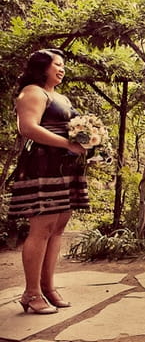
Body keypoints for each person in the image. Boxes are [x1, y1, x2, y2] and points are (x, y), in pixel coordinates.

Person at [8, 49, 88, 314]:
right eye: (57, 64)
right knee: (41, 228)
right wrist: (68, 143)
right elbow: (28, 127)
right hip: (43, 164)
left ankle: (48, 288)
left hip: (63, 165)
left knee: (58, 227)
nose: (62, 69)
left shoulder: (60, 96)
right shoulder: (32, 92)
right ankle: (31, 293)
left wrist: (89, 142)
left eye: (63, 65)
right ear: (42, 67)